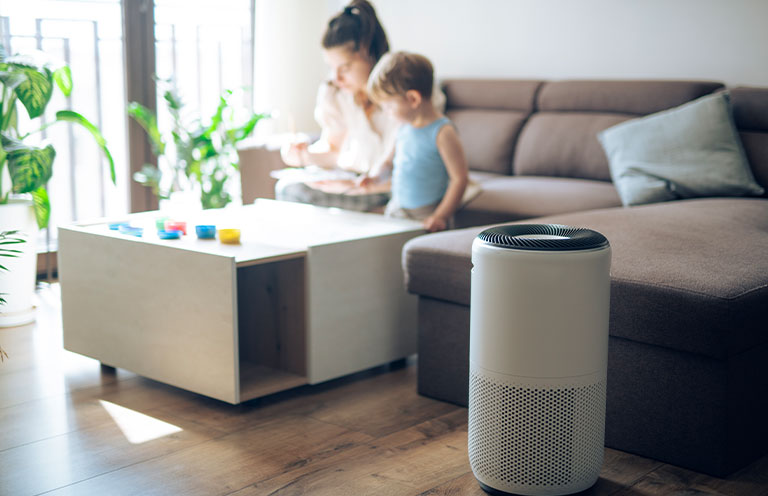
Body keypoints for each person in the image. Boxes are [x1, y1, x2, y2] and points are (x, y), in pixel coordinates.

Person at [277, 0, 444, 211]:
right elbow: (335, 151)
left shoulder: (405, 96)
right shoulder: (335, 95)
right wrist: (304, 154)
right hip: (353, 179)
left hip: (387, 185)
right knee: (288, 187)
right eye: (331, 67)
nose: (336, 77)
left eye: (345, 68)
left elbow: (403, 159)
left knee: (293, 192)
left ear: (369, 53)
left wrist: (369, 180)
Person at [363, 51, 468, 232]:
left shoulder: (443, 132)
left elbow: (459, 179)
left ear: (413, 99)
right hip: (397, 207)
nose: (386, 112)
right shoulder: (402, 127)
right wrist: (374, 176)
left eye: (388, 106)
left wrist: (440, 216)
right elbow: (387, 161)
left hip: (426, 213)